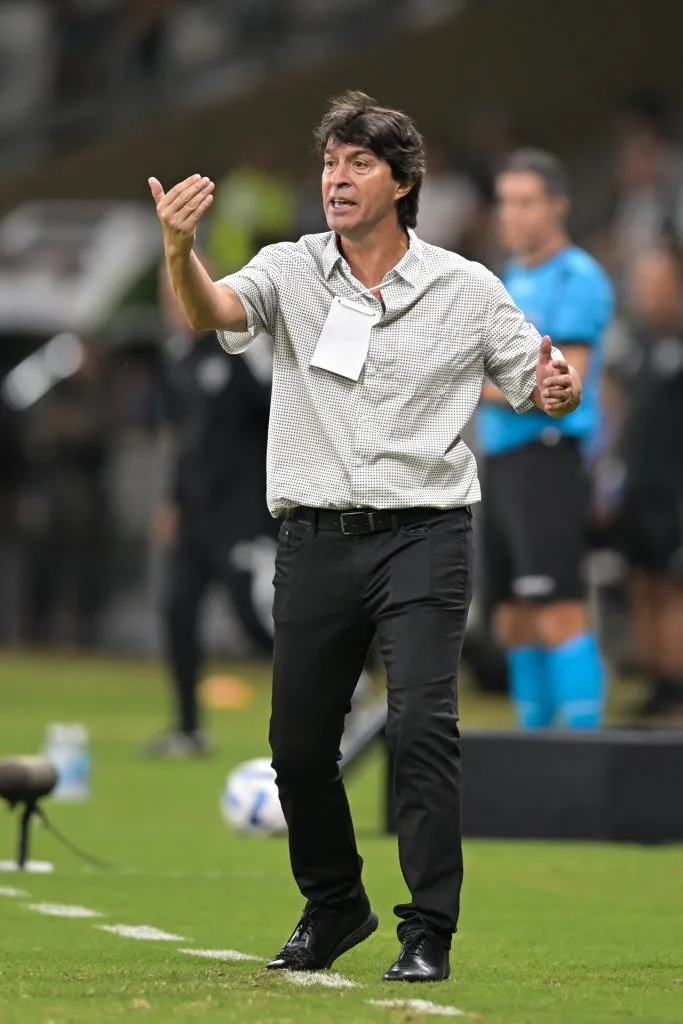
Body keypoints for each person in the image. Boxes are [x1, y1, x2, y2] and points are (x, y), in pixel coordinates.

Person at [148, 91, 582, 983]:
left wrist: (556, 390)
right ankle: (334, 902)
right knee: (299, 745)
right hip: (314, 537)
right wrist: (179, 249)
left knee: (423, 727)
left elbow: (532, 382)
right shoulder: (291, 268)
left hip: (425, 533)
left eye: (356, 165)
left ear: (404, 181)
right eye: (329, 165)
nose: (335, 181)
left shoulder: (466, 287)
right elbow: (212, 313)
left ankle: (426, 930)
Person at [477, 149, 614, 730]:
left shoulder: (577, 276)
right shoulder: (508, 278)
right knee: (511, 618)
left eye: (527, 201)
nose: (514, 215)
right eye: (506, 202)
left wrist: (457, 379)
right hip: (504, 460)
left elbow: (560, 381)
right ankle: (536, 748)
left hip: (549, 459)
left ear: (558, 205)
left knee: (556, 608)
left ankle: (581, 754)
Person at [145, 267, 275, 757]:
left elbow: (278, 414)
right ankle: (188, 728)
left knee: (254, 619)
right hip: (196, 513)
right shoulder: (174, 358)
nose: (175, 303)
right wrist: (172, 501)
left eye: (182, 290)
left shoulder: (238, 348)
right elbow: (183, 441)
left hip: (242, 511)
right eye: (169, 294)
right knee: (177, 610)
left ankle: (342, 693)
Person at [611, 246, 683, 720]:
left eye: (658, 283)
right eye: (642, 283)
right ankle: (656, 678)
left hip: (673, 492)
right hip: (635, 489)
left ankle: (677, 684)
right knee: (641, 583)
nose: (648, 293)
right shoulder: (633, 346)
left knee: (674, 585)